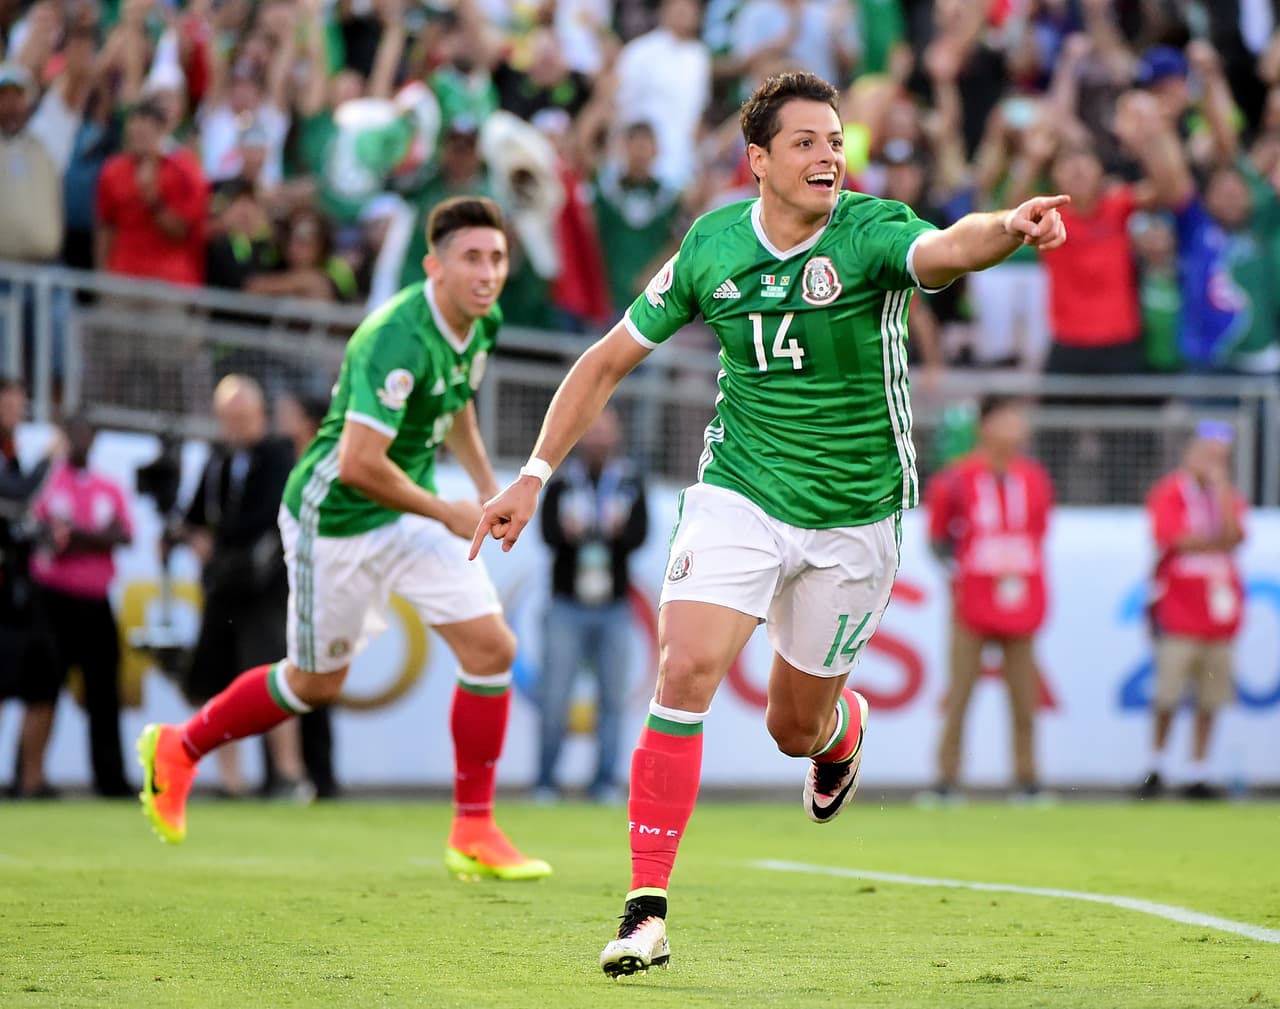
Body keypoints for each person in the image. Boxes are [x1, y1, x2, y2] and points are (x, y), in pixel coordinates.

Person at [471, 71, 1068, 976]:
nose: (830, 154)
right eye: (807, 142)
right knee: (686, 665)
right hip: (741, 488)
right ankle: (645, 909)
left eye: (836, 141)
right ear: (758, 161)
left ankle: (837, 733)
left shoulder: (870, 231)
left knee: (794, 724)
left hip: (853, 514)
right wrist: (533, 474)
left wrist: (1008, 229)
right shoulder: (713, 245)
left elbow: (949, 249)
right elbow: (605, 362)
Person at [136, 197, 550, 883]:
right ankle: (179, 746)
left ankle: (474, 827)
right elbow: (358, 463)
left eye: (497, 258)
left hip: (409, 512)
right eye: (472, 258)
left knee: (492, 646)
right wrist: (445, 511)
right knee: (312, 683)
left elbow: (455, 401)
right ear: (434, 266)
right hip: (334, 519)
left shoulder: (482, 320)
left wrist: (485, 487)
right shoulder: (393, 337)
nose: (487, 273)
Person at [173, 374, 308, 800]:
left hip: (263, 587)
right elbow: (194, 513)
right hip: (222, 588)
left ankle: (288, 774)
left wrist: (219, 539)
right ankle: (232, 781)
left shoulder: (278, 454)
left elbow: (270, 513)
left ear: (260, 414)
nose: (234, 425)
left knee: (272, 677)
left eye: (241, 416)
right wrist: (191, 536)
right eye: (227, 417)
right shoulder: (218, 460)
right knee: (215, 680)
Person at [922, 396, 1055, 802]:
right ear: (985, 426)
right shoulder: (957, 478)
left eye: (1019, 419)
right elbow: (938, 538)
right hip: (972, 604)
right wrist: (963, 576)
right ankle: (946, 780)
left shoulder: (1034, 478)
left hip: (1021, 600)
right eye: (1006, 419)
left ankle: (1027, 780)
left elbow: (1038, 533)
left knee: (1024, 697)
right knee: (960, 693)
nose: (1016, 427)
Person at [535, 408, 648, 804]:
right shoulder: (563, 480)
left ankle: (604, 783)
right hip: (566, 604)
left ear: (615, 436)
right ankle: (545, 782)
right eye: (592, 432)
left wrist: (616, 534)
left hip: (613, 606)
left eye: (605, 432)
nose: (598, 440)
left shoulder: (630, 480)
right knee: (554, 697)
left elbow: (641, 534)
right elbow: (546, 534)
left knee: (613, 701)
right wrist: (571, 535)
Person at [1138, 422, 1246, 801]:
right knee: (1166, 695)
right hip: (1178, 615)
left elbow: (1234, 537)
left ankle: (1198, 771)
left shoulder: (1227, 496)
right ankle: (1156, 766)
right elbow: (1177, 539)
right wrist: (1213, 540)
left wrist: (1219, 494)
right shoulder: (1169, 493)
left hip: (1217, 618)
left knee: (1210, 698)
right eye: (1206, 455)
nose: (1211, 464)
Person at [30, 415, 134, 798]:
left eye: (85, 434)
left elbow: (123, 533)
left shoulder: (108, 486)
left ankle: (110, 779)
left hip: (96, 602)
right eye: (71, 433)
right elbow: (43, 534)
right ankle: (30, 777)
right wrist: (93, 538)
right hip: (53, 601)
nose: (79, 441)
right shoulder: (45, 482)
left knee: (104, 692)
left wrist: (78, 537)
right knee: (42, 690)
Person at [0, 377, 62, 798]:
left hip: (23, 589)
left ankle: (30, 778)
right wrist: (49, 462)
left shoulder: (12, 454)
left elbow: (19, 520)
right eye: (12, 402)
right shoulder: (21, 463)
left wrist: (44, 533)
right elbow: (14, 498)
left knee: (42, 681)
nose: (19, 410)